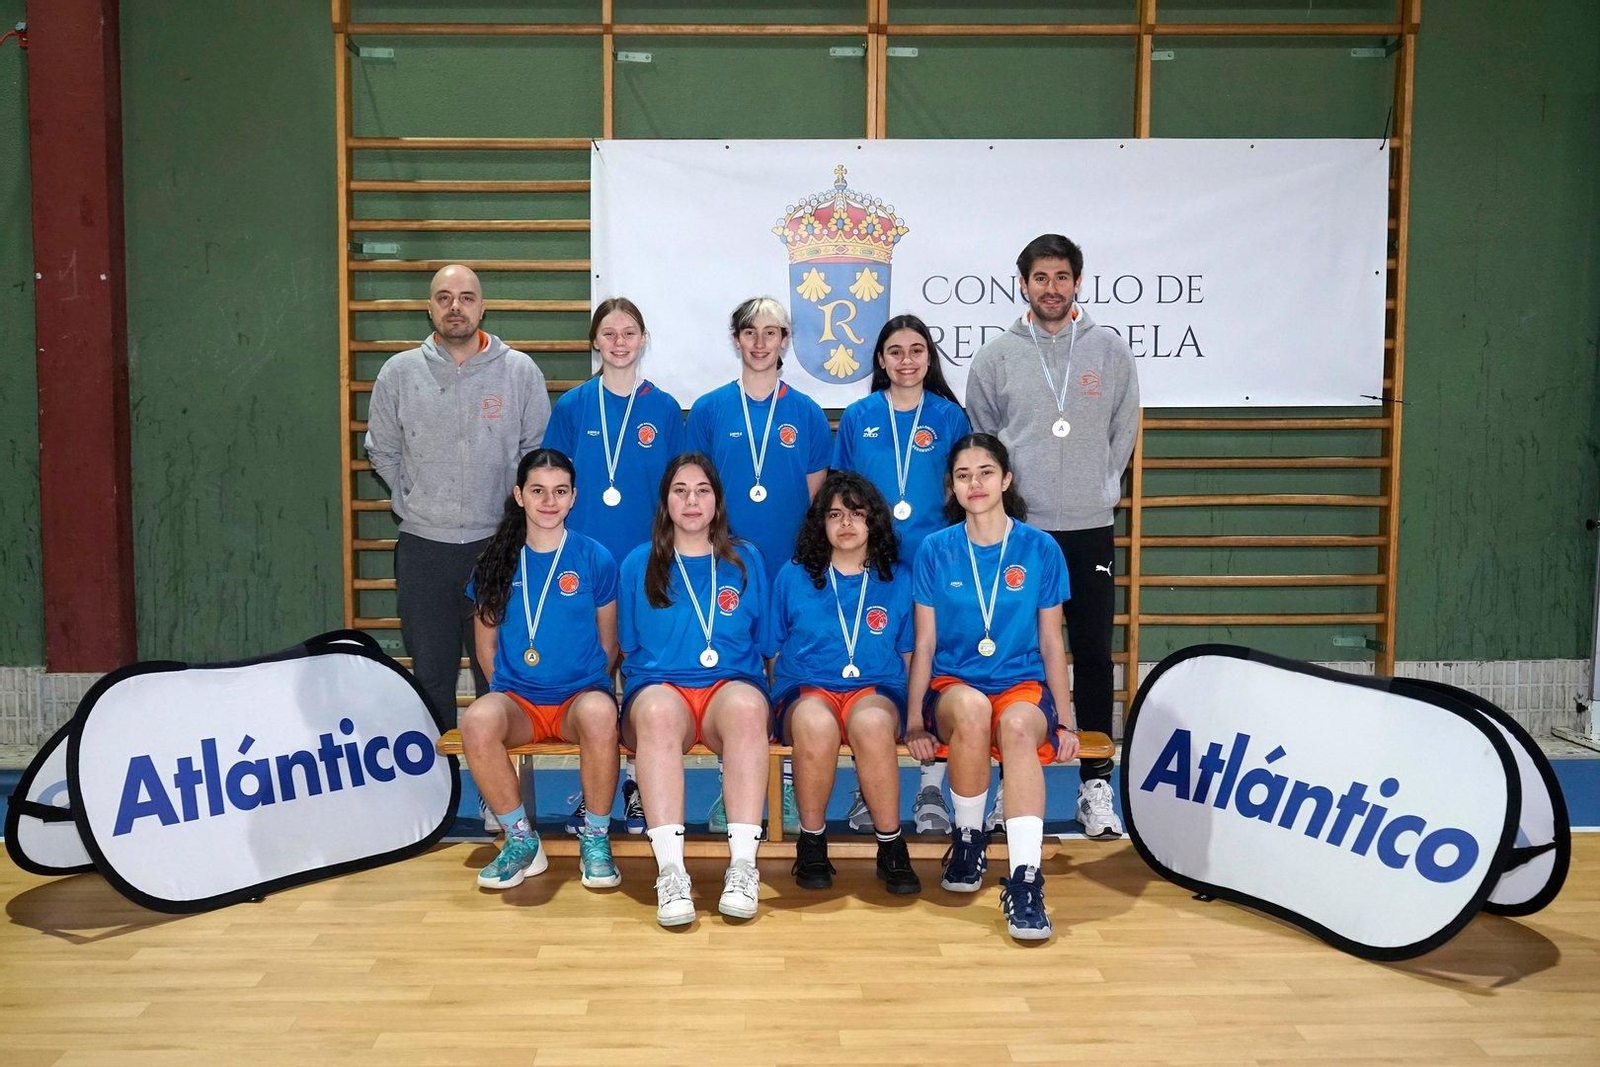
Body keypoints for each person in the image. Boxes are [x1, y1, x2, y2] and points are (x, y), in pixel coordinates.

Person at [965, 234, 1139, 839]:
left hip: (1088, 527)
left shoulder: (1110, 352)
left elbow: (1124, 432)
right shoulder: (996, 358)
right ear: (1024, 285)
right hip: (1020, 532)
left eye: (1062, 277)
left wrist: (1097, 487)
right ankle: (1006, 783)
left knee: (1091, 656)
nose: (1052, 289)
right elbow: (984, 442)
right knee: (1014, 661)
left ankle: (1095, 787)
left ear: (1078, 283)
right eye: (1041, 278)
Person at [905, 434, 1081, 941]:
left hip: (1021, 685)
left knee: (1020, 726)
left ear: (1005, 480)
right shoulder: (936, 550)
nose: (974, 483)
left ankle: (1026, 880)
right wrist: (914, 718)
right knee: (974, 709)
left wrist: (1066, 718)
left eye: (985, 472)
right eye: (963, 475)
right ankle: (968, 837)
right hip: (953, 685)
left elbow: (1052, 643)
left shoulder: (1040, 549)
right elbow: (925, 642)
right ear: (952, 488)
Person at [365, 264, 550, 733]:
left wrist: (514, 521)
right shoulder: (399, 373)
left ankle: (498, 803)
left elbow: (536, 456)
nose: (455, 307)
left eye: (466, 297)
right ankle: (440, 800)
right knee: (431, 678)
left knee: (499, 679)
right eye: (444, 297)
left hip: (497, 548)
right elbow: (382, 450)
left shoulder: (519, 371)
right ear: (429, 308)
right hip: (424, 550)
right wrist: (411, 499)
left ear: (482, 307)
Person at [687, 296, 830, 834]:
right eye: (751, 331)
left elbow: (818, 503)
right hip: (726, 564)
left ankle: (786, 786)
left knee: (786, 672)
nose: (761, 342)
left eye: (773, 332)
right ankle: (735, 789)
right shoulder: (708, 410)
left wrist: (809, 564)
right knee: (738, 673)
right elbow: (694, 491)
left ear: (786, 342)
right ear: (736, 338)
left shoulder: (808, 413)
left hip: (790, 566)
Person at [545, 297, 685, 836]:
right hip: (583, 561)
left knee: (642, 668)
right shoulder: (574, 406)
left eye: (629, 332)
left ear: (643, 339)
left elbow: (681, 487)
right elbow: (553, 483)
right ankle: (600, 785)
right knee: (596, 669)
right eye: (609, 333)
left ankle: (638, 782)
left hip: (648, 561)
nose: (619, 341)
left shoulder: (666, 408)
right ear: (595, 342)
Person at [618, 453, 772, 926]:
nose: (691, 500)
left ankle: (744, 866)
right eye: (680, 490)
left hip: (727, 689)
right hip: (661, 688)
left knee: (749, 707)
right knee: (659, 713)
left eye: (702, 490)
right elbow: (626, 648)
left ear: (717, 501)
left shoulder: (746, 559)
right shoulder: (637, 564)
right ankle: (671, 872)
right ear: (665, 501)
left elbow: (765, 644)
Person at [833, 314, 971, 836]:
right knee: (872, 664)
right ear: (880, 360)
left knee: (934, 662)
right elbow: (841, 491)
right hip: (874, 560)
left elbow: (963, 491)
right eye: (895, 351)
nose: (906, 360)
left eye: (916, 350)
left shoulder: (950, 417)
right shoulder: (859, 414)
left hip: (934, 558)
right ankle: (866, 787)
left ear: (929, 358)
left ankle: (931, 783)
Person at [459, 449, 622, 892]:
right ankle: (520, 839)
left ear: (573, 498)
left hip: (577, 698)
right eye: (538, 491)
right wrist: (510, 693)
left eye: (559, 491)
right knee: (476, 720)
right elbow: (485, 644)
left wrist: (583, 684)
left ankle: (596, 837)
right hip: (519, 701)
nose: (549, 501)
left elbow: (609, 643)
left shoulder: (595, 559)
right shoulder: (496, 560)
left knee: (601, 714)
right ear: (519, 496)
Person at [766, 471, 920, 895]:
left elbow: (908, 654)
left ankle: (891, 846)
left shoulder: (899, 578)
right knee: (815, 723)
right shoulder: (794, 576)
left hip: (876, 687)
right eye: (835, 514)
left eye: (856, 513)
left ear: (874, 521)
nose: (846, 523)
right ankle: (812, 842)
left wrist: (913, 714)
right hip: (807, 688)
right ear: (821, 523)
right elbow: (773, 651)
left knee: (871, 724)